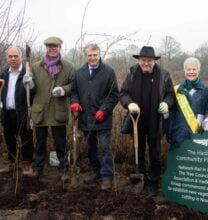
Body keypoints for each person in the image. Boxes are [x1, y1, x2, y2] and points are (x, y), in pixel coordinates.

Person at [119, 46, 175, 196]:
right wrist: (129, 103)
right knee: (139, 150)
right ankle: (141, 176)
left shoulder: (164, 75)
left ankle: (154, 181)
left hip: (155, 121)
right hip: (136, 120)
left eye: (149, 60)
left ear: (154, 61)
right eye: (143, 60)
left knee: (155, 153)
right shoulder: (132, 74)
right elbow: (123, 93)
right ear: (139, 60)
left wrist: (166, 103)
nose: (146, 63)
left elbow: (171, 95)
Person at [23, 36, 74, 182]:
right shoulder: (35, 67)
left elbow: (74, 86)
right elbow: (30, 89)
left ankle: (64, 169)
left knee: (60, 142)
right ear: (46, 48)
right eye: (49, 46)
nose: (52, 49)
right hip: (41, 110)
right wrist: (28, 83)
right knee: (39, 141)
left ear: (60, 48)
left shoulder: (68, 66)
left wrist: (64, 90)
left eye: (55, 46)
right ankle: (37, 168)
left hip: (58, 110)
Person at [70, 44, 119, 190]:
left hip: (103, 118)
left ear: (99, 55)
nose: (92, 58)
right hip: (85, 117)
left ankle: (106, 176)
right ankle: (95, 172)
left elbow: (114, 95)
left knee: (104, 148)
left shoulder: (108, 72)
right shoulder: (79, 73)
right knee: (91, 147)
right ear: (86, 56)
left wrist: (104, 110)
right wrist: (74, 102)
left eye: (95, 55)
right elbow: (74, 92)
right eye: (89, 55)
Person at [0, 46, 34, 175]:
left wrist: (30, 84)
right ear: (7, 57)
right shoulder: (3, 74)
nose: (13, 59)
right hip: (7, 112)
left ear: (21, 57)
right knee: (9, 138)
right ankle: (12, 162)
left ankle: (26, 163)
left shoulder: (27, 73)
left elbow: (33, 91)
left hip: (23, 112)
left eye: (16, 56)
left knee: (26, 138)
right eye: (10, 56)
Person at [168, 57, 208, 149]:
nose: (191, 72)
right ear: (184, 71)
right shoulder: (176, 90)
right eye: (188, 69)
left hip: (198, 135)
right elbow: (172, 114)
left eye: (194, 69)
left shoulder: (206, 90)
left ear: (198, 70)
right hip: (178, 135)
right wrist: (170, 132)